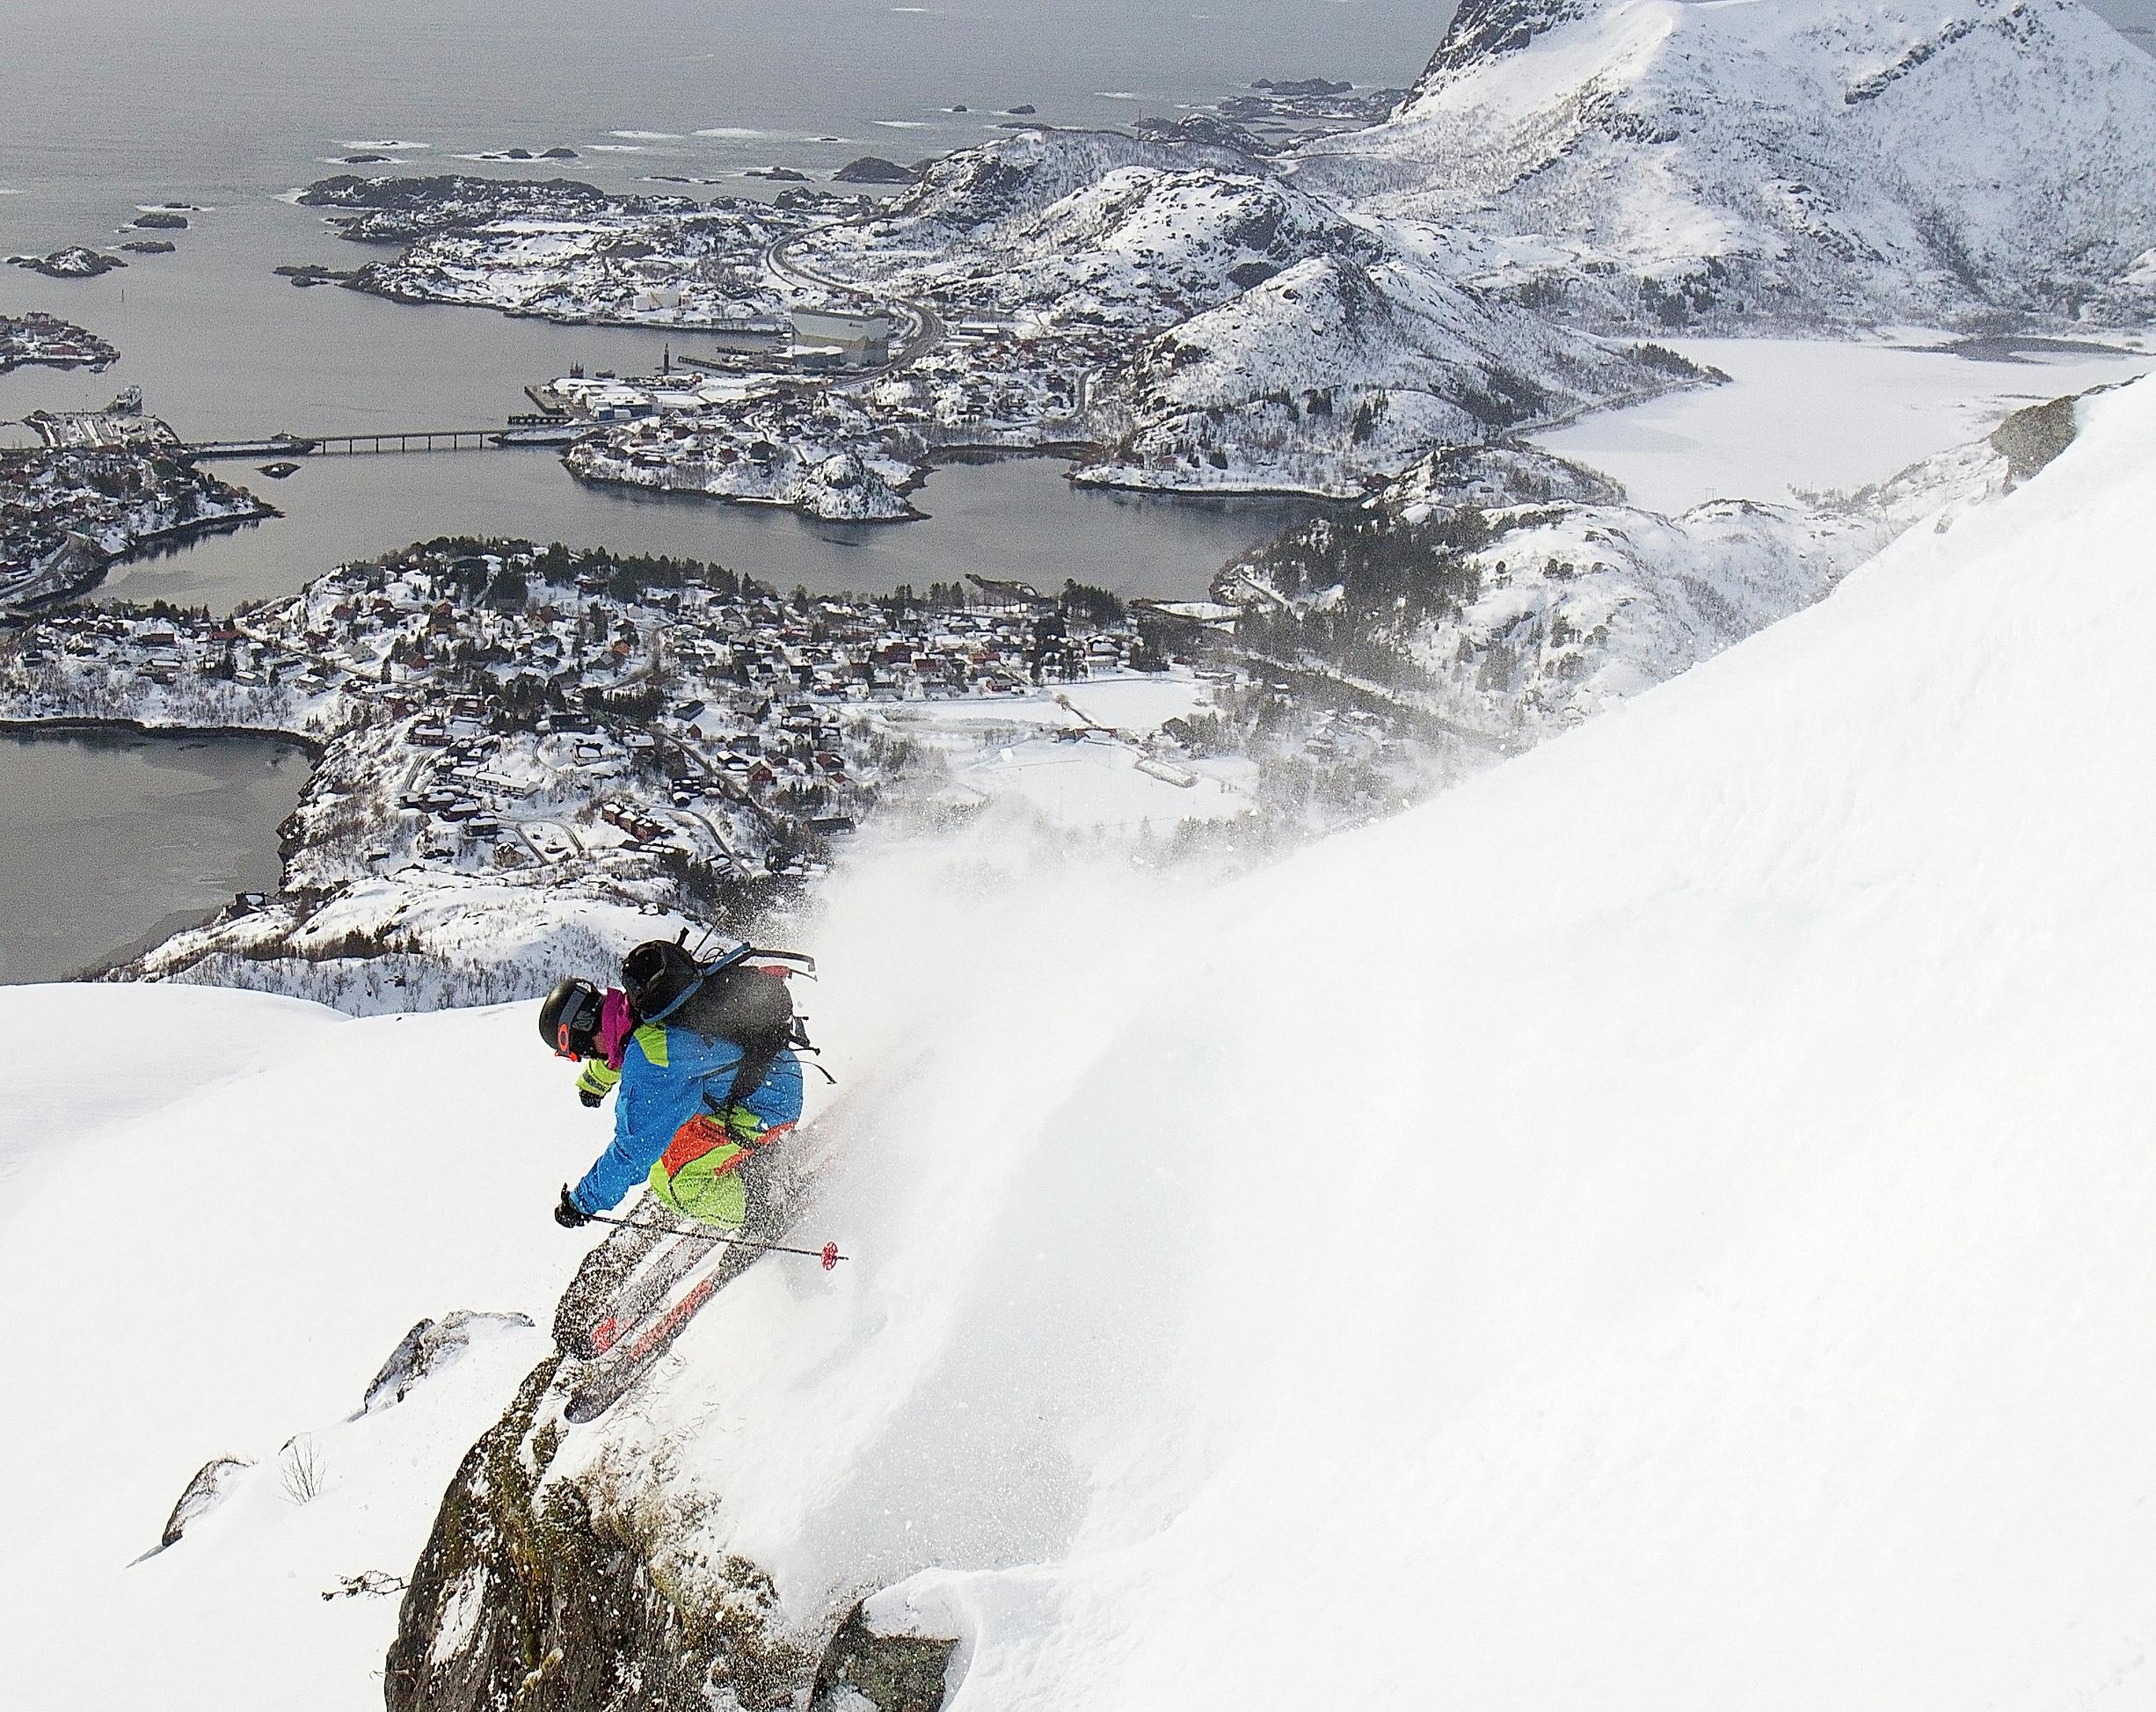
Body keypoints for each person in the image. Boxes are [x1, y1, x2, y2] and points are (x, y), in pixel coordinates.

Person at [540, 939, 805, 1234]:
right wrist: (595, 1082)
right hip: (771, 1072)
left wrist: (581, 1202)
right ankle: (744, 1169)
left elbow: (632, 1153)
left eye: (579, 1053)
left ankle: (764, 1208)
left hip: (768, 1104)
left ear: (581, 1036)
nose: (585, 1058)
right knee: (669, 1142)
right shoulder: (643, 1005)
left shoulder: (649, 1063)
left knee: (671, 1180)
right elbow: (626, 1046)